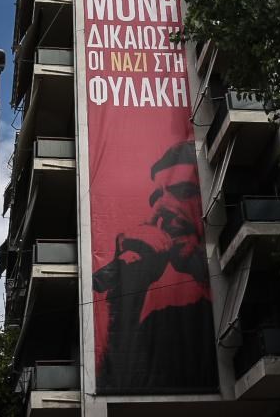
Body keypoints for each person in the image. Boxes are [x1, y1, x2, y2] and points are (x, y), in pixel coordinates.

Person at [93, 141, 218, 393]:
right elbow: (115, 382)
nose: (160, 209)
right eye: (156, 198)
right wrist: (127, 288)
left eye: (184, 191)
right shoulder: (163, 324)